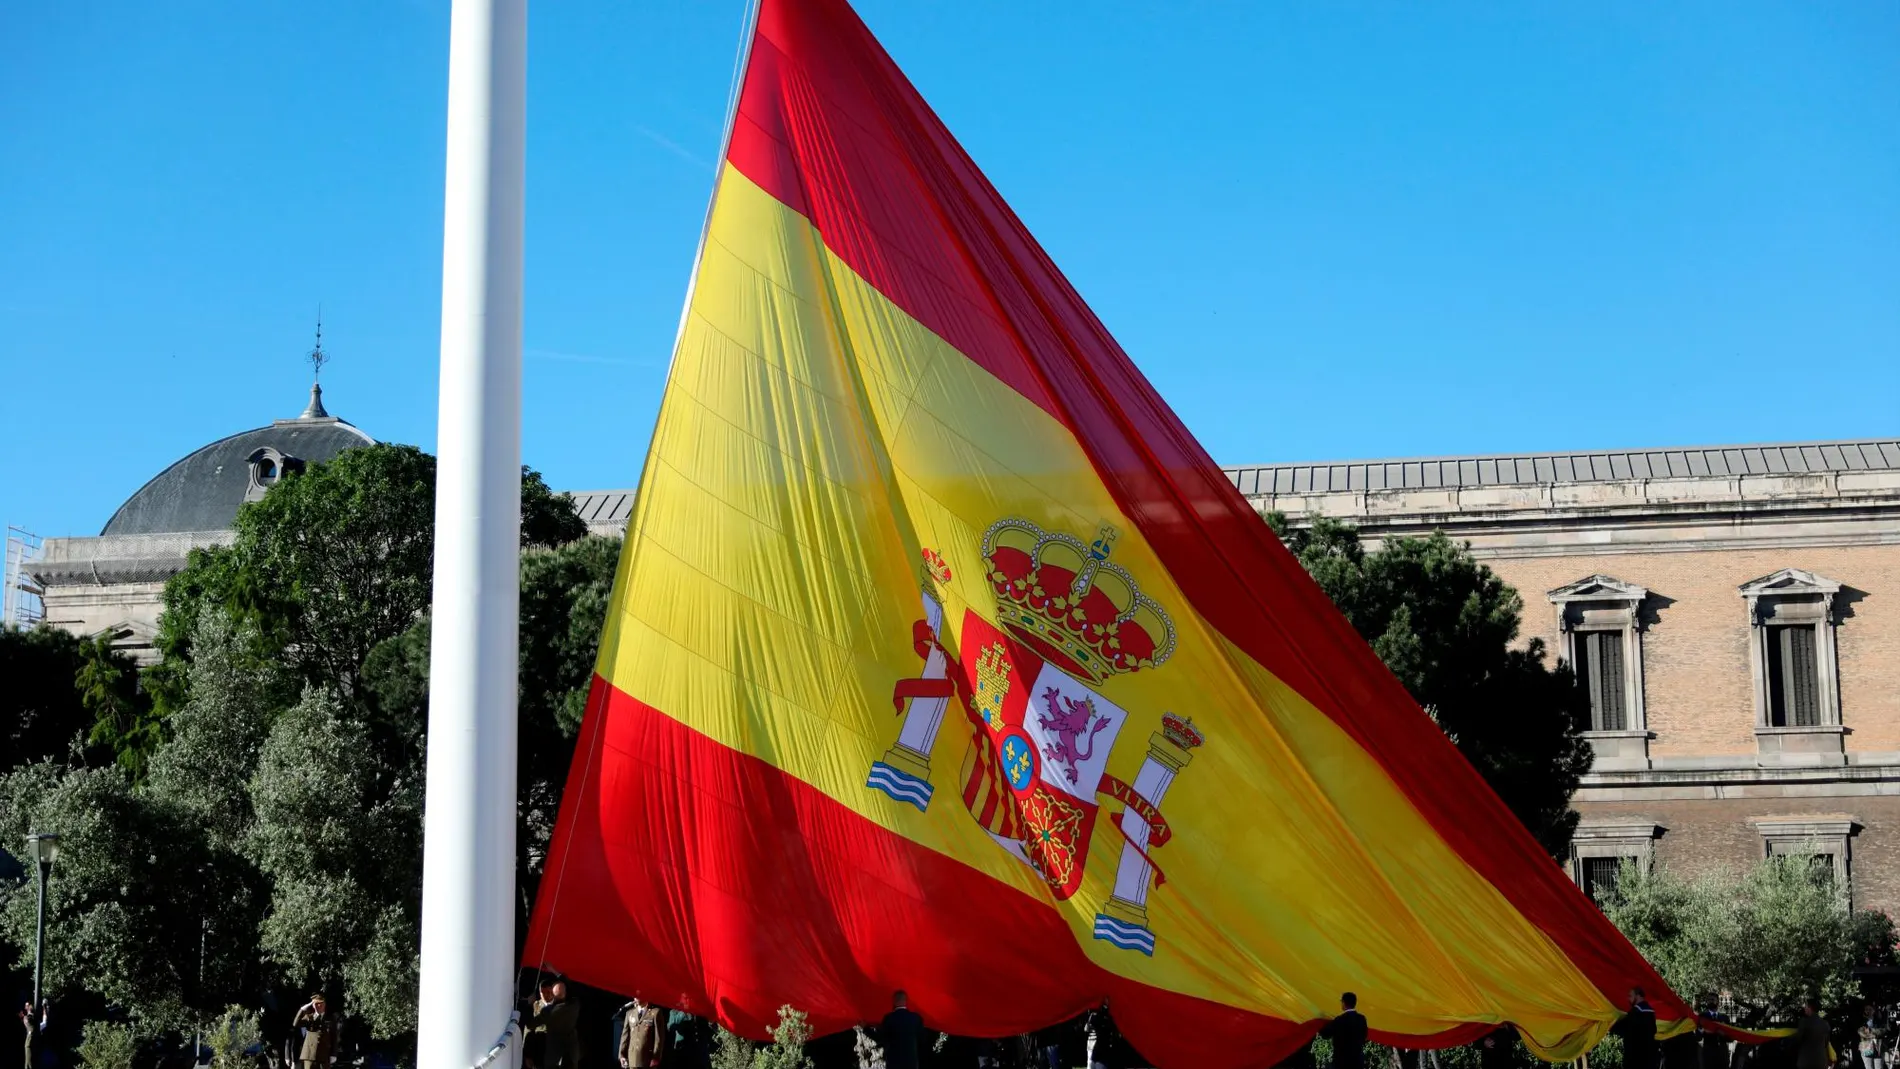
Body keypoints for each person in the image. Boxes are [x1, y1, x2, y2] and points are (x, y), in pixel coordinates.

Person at [529, 976, 581, 1069]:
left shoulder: (549, 1011)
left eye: (549, 992)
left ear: (553, 994)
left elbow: (530, 1024)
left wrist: (529, 1004)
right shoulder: (575, 1004)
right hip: (571, 1053)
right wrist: (555, 971)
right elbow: (569, 986)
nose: (546, 995)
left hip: (554, 1054)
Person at [1614, 989, 1660, 1069]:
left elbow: (1623, 1028)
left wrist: (1610, 1023)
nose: (1628, 999)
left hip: (1636, 1060)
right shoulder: (1651, 1012)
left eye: (1630, 996)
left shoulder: (1636, 1012)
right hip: (1649, 1060)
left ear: (1638, 996)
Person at [1321, 993, 1369, 1069]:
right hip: (1357, 1061)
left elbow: (1325, 1034)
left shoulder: (1339, 1020)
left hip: (1341, 1062)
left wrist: (1322, 1021)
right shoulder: (1362, 1019)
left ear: (1343, 1003)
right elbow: (1364, 1037)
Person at [291, 994, 340, 1069]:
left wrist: (334, 1054)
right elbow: (295, 1024)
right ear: (313, 1006)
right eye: (316, 1004)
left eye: (321, 1003)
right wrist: (302, 1009)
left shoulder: (330, 1019)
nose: (318, 1006)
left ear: (324, 1004)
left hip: (324, 1055)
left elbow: (334, 1036)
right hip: (309, 1055)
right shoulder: (309, 1017)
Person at [878, 990, 924, 1069]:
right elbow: (923, 1039)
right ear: (906, 1001)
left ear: (894, 1001)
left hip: (893, 1063)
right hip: (911, 1062)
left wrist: (865, 1028)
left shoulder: (888, 1018)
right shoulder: (916, 1018)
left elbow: (881, 1039)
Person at [619, 998, 665, 1069]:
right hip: (632, 1058)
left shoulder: (655, 1012)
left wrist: (656, 1057)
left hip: (647, 1058)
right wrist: (621, 1055)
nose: (636, 998)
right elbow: (625, 1036)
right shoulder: (630, 1013)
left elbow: (658, 1038)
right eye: (635, 996)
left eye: (639, 995)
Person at [1795, 1000, 1830, 1069]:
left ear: (1810, 1008)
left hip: (1806, 1062)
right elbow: (1826, 1043)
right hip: (1821, 1062)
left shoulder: (1804, 1022)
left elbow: (1797, 1040)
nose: (1804, 1008)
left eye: (1806, 1006)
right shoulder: (1825, 1024)